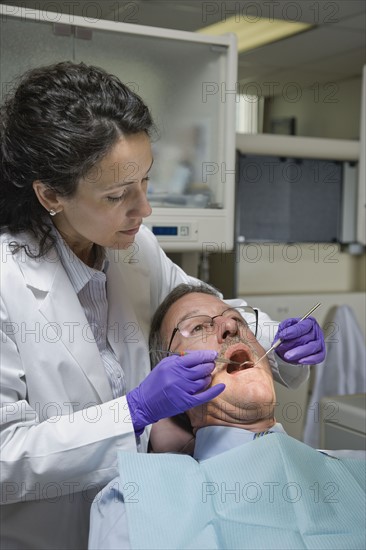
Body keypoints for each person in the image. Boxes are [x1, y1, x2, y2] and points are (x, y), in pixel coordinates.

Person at [0, 61, 325, 550]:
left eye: (146, 182)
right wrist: (132, 413)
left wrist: (279, 341)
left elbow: (200, 309)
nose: (144, 209)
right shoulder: (7, 284)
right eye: (117, 195)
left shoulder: (135, 247)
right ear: (50, 195)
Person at [89, 283, 364, 550]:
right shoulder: (133, 501)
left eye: (238, 320)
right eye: (197, 326)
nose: (230, 327)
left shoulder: (355, 475)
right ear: (170, 383)